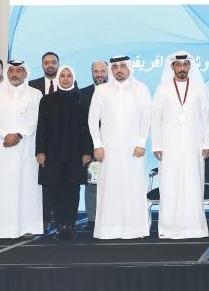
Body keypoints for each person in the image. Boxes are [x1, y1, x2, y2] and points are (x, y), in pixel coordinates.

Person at [88, 55, 153, 239]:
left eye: (122, 66)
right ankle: (108, 230)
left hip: (134, 150)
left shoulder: (141, 88)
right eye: (115, 67)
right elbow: (92, 119)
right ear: (111, 70)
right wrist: (97, 145)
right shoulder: (102, 90)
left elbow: (147, 117)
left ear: (129, 68)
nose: (119, 70)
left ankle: (135, 229)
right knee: (109, 188)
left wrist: (141, 143)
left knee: (133, 187)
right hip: (108, 150)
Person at [150, 51, 209, 240]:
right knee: (170, 186)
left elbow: (206, 118)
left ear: (190, 66)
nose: (182, 68)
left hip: (194, 146)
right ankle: (169, 228)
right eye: (178, 65)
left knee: (193, 185)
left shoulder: (199, 89)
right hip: (169, 147)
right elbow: (156, 119)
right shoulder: (163, 89)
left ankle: (195, 227)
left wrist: (207, 143)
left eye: (185, 65)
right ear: (172, 67)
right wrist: (157, 145)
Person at [0, 60, 43, 238]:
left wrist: (18, 135)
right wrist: (5, 134)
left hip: (27, 146)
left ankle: (28, 226)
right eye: (11, 71)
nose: (15, 74)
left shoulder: (35, 94)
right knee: (4, 186)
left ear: (25, 73)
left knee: (27, 186)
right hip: (4, 148)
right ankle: (1, 228)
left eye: (19, 71)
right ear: (7, 73)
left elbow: (38, 120)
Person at [37, 66, 94, 240]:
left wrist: (87, 152)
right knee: (56, 189)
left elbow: (88, 128)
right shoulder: (47, 100)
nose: (66, 78)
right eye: (62, 75)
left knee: (72, 189)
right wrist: (40, 151)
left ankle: (70, 226)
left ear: (73, 78)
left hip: (75, 152)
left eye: (69, 75)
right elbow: (41, 127)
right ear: (58, 78)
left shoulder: (83, 99)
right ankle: (60, 226)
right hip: (52, 152)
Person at [80, 60, 109, 227]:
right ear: (91, 73)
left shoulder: (117, 92)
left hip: (115, 148)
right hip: (92, 150)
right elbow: (82, 125)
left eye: (102, 71)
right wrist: (87, 150)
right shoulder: (83, 93)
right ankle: (93, 219)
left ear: (108, 72)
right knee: (92, 185)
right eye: (96, 71)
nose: (99, 75)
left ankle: (112, 216)